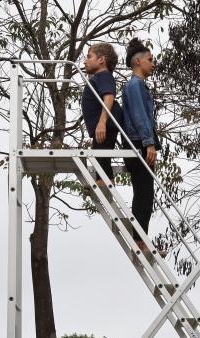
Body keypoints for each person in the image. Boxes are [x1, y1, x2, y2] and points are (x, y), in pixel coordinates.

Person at [121, 38, 164, 256]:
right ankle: (139, 240)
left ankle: (140, 238)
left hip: (140, 142)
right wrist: (149, 143)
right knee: (144, 194)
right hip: (138, 142)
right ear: (137, 62)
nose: (153, 63)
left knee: (145, 193)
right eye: (150, 59)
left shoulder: (138, 85)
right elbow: (139, 116)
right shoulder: (134, 85)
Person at [81, 43, 124, 188]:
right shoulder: (98, 77)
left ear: (101, 60)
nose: (85, 61)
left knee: (101, 155)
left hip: (105, 125)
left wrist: (102, 123)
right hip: (103, 125)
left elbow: (109, 97)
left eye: (89, 57)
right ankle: (103, 180)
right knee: (99, 156)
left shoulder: (104, 76)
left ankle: (105, 182)